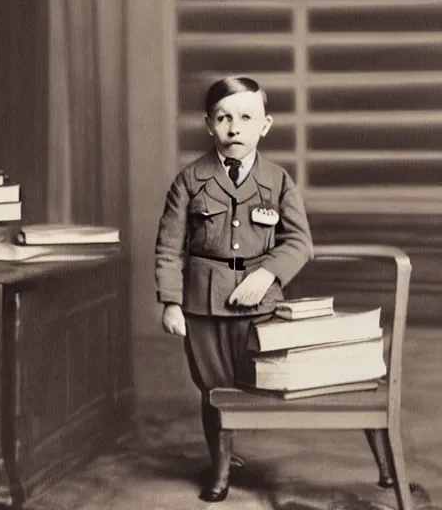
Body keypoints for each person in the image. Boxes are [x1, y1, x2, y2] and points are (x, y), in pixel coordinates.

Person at [154, 76, 394, 502]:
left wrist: (267, 276)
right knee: (213, 390)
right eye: (224, 117)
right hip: (203, 307)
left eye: (246, 117)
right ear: (209, 124)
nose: (234, 128)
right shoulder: (190, 181)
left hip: (261, 306)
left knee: (266, 381)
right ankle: (221, 471)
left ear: (265, 125)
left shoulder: (277, 181)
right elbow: (170, 248)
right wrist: (171, 303)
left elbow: (300, 242)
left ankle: (239, 457)